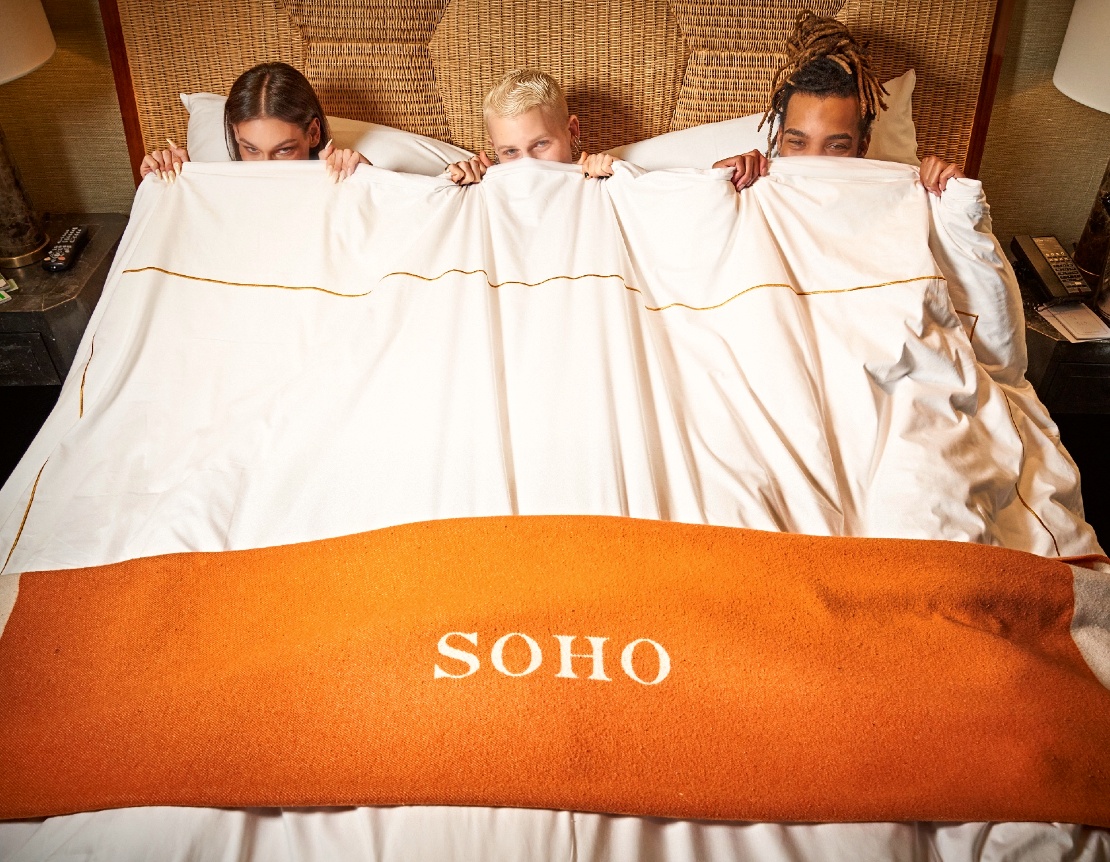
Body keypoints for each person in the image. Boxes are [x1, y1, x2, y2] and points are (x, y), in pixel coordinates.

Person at [714, 12, 962, 196]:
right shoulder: (750, 191)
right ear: (779, 139)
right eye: (797, 142)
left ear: (862, 147)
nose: (813, 162)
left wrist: (955, 198)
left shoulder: (901, 194)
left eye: (835, 146)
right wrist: (715, 185)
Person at [140, 62, 368, 184]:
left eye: (284, 150)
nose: (265, 166)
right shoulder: (219, 192)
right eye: (251, 149)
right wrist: (180, 187)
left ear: (313, 134)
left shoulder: (340, 186)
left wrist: (366, 180)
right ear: (235, 135)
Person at [446, 68, 615, 185]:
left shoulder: (599, 179)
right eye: (510, 151)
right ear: (495, 149)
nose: (528, 163)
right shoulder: (485, 186)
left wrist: (617, 171)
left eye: (541, 144)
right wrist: (457, 178)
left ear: (572, 131)